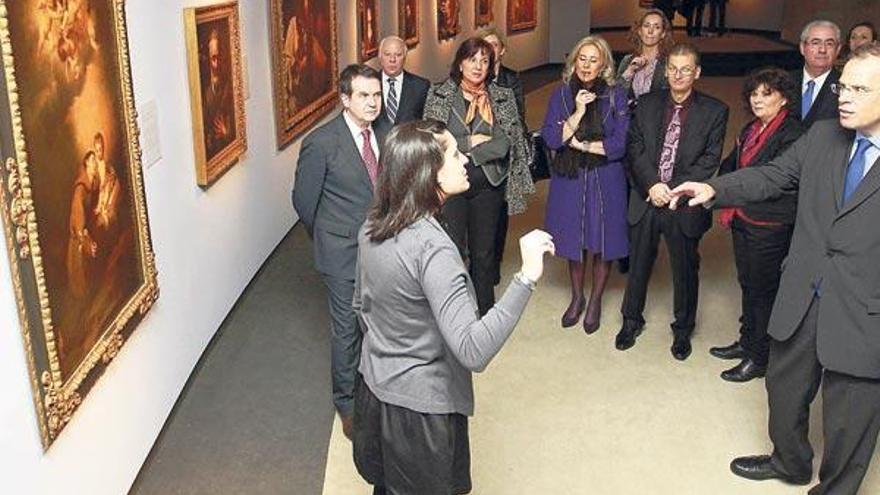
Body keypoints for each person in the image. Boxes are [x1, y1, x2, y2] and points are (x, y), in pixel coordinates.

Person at [670, 42, 880, 495]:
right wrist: (713, 189)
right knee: (784, 390)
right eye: (843, 87)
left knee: (849, 421)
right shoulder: (824, 135)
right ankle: (790, 463)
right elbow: (773, 176)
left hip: (865, 309)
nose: (843, 97)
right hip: (804, 290)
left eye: (860, 90)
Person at [352, 120, 554, 495]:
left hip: (373, 391)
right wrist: (526, 275)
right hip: (421, 412)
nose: (466, 161)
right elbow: (473, 350)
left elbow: (361, 305)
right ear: (430, 176)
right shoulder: (434, 250)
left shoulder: (370, 226)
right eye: (455, 155)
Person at [292, 64, 388, 440]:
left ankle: (376, 390)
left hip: (382, 248)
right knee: (347, 330)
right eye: (364, 96)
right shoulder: (321, 142)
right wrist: (331, 241)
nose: (372, 103)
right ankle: (347, 405)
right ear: (345, 99)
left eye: (377, 95)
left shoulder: (384, 132)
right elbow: (304, 203)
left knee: (377, 323)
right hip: (343, 255)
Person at [616, 42, 728, 360]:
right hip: (647, 197)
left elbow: (709, 161)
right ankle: (630, 321)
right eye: (673, 69)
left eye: (685, 69)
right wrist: (652, 184)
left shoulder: (716, 111)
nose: (678, 75)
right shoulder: (647, 103)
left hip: (683, 202)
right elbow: (634, 147)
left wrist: (674, 189)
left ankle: (682, 330)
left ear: (697, 73)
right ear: (667, 71)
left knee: (685, 268)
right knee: (638, 264)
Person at [423, 37, 534, 316]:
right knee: (454, 251)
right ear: (460, 63)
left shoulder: (501, 97)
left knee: (484, 254)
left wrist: (467, 149)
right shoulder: (439, 94)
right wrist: (473, 142)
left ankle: (485, 311)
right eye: (472, 59)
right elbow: (435, 138)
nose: (478, 66)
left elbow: (506, 141)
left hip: (489, 183)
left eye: (484, 61)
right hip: (451, 186)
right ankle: (455, 311)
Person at [709, 68, 804, 383]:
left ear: (784, 98)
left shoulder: (793, 133)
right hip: (743, 217)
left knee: (763, 291)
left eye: (767, 94)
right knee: (748, 284)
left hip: (771, 222)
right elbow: (733, 164)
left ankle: (759, 357)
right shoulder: (751, 128)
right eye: (754, 94)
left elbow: (775, 180)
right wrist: (707, 184)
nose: (758, 99)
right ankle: (747, 341)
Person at [542, 35, 630, 333]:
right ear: (574, 61)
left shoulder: (616, 95)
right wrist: (578, 112)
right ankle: (577, 297)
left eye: (594, 60)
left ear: (604, 64)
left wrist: (581, 146)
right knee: (574, 242)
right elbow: (552, 139)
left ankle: (594, 301)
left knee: (601, 242)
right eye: (582, 58)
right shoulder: (561, 94)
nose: (587, 65)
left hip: (606, 179)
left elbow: (619, 145)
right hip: (571, 179)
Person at [478, 26, 525, 287]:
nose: (489, 50)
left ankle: (494, 262)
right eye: (484, 45)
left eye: (494, 45)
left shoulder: (512, 79)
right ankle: (479, 263)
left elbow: (518, 119)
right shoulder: (472, 76)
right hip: (479, 156)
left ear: (502, 50)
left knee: (499, 212)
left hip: (505, 156)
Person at [617, 8, 672, 106]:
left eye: (657, 27)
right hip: (629, 117)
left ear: (663, 34)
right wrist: (629, 72)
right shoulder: (627, 60)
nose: (650, 31)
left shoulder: (668, 63)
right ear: (639, 31)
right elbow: (615, 94)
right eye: (646, 26)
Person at [792, 20, 841, 128]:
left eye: (829, 44)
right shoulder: (785, 82)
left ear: (838, 50)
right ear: (802, 48)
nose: (822, 49)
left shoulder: (846, 87)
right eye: (815, 43)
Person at [374, 36, 430, 132]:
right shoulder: (369, 85)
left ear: (405, 57)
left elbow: (427, 125)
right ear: (380, 56)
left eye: (398, 55)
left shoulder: (421, 86)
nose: (392, 60)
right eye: (387, 54)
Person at [202, 28, 234, 159]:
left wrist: (227, 134)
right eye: (214, 58)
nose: (217, 64)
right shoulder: (206, 92)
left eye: (220, 58)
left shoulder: (230, 86)